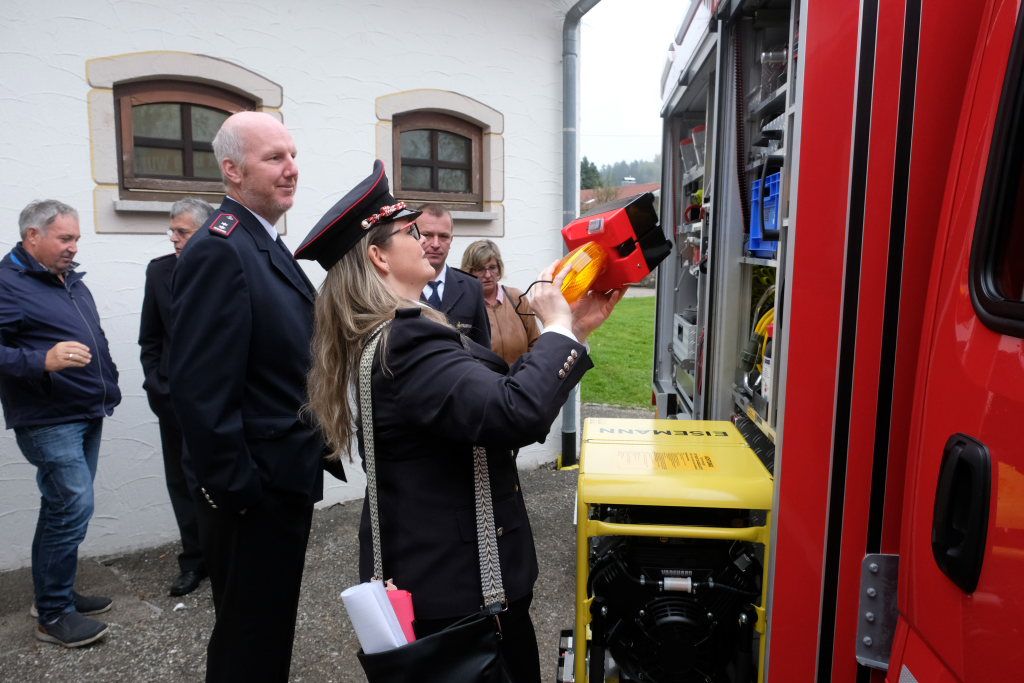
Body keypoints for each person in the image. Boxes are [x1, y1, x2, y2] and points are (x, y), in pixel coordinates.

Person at [297, 160, 623, 683]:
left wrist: (573, 332)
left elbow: (487, 409)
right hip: (465, 597)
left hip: (439, 579)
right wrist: (556, 326)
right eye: (411, 232)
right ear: (379, 256)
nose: (426, 242)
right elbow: (513, 412)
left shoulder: (388, 336)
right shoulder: (406, 341)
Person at [169, 112, 338, 682]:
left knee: (265, 630)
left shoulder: (259, 240)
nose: (291, 169)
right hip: (255, 492)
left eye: (292, 155)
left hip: (279, 478)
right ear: (233, 171)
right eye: (274, 158)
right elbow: (199, 389)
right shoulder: (221, 250)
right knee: (250, 638)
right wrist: (239, 492)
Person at [0, 199, 121, 647]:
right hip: (49, 418)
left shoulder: (67, 279)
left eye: (76, 238)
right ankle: (53, 615)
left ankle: (55, 594)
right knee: (72, 506)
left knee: (62, 507)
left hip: (85, 409)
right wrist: (41, 361)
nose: (74, 247)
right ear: (33, 236)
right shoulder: (8, 284)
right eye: (65, 238)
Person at [138, 197, 213, 597]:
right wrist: (157, 386)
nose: (174, 238)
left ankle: (223, 555)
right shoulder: (159, 272)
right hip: (172, 401)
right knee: (181, 482)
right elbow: (150, 339)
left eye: (182, 231)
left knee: (213, 479)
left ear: (204, 232)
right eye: (172, 230)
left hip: (216, 400)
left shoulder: (225, 269)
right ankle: (194, 560)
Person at [416, 203, 491, 346]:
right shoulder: (397, 286)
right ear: (414, 236)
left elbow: (483, 348)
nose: (436, 244)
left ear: (451, 240)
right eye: (427, 235)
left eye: (443, 236)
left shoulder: (471, 288)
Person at [461, 239, 541, 364]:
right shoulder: (464, 304)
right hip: (483, 376)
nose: (488, 275)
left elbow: (535, 342)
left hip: (522, 375)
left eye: (492, 267)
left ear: (499, 268)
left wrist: (528, 370)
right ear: (469, 271)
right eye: (480, 269)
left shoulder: (516, 298)